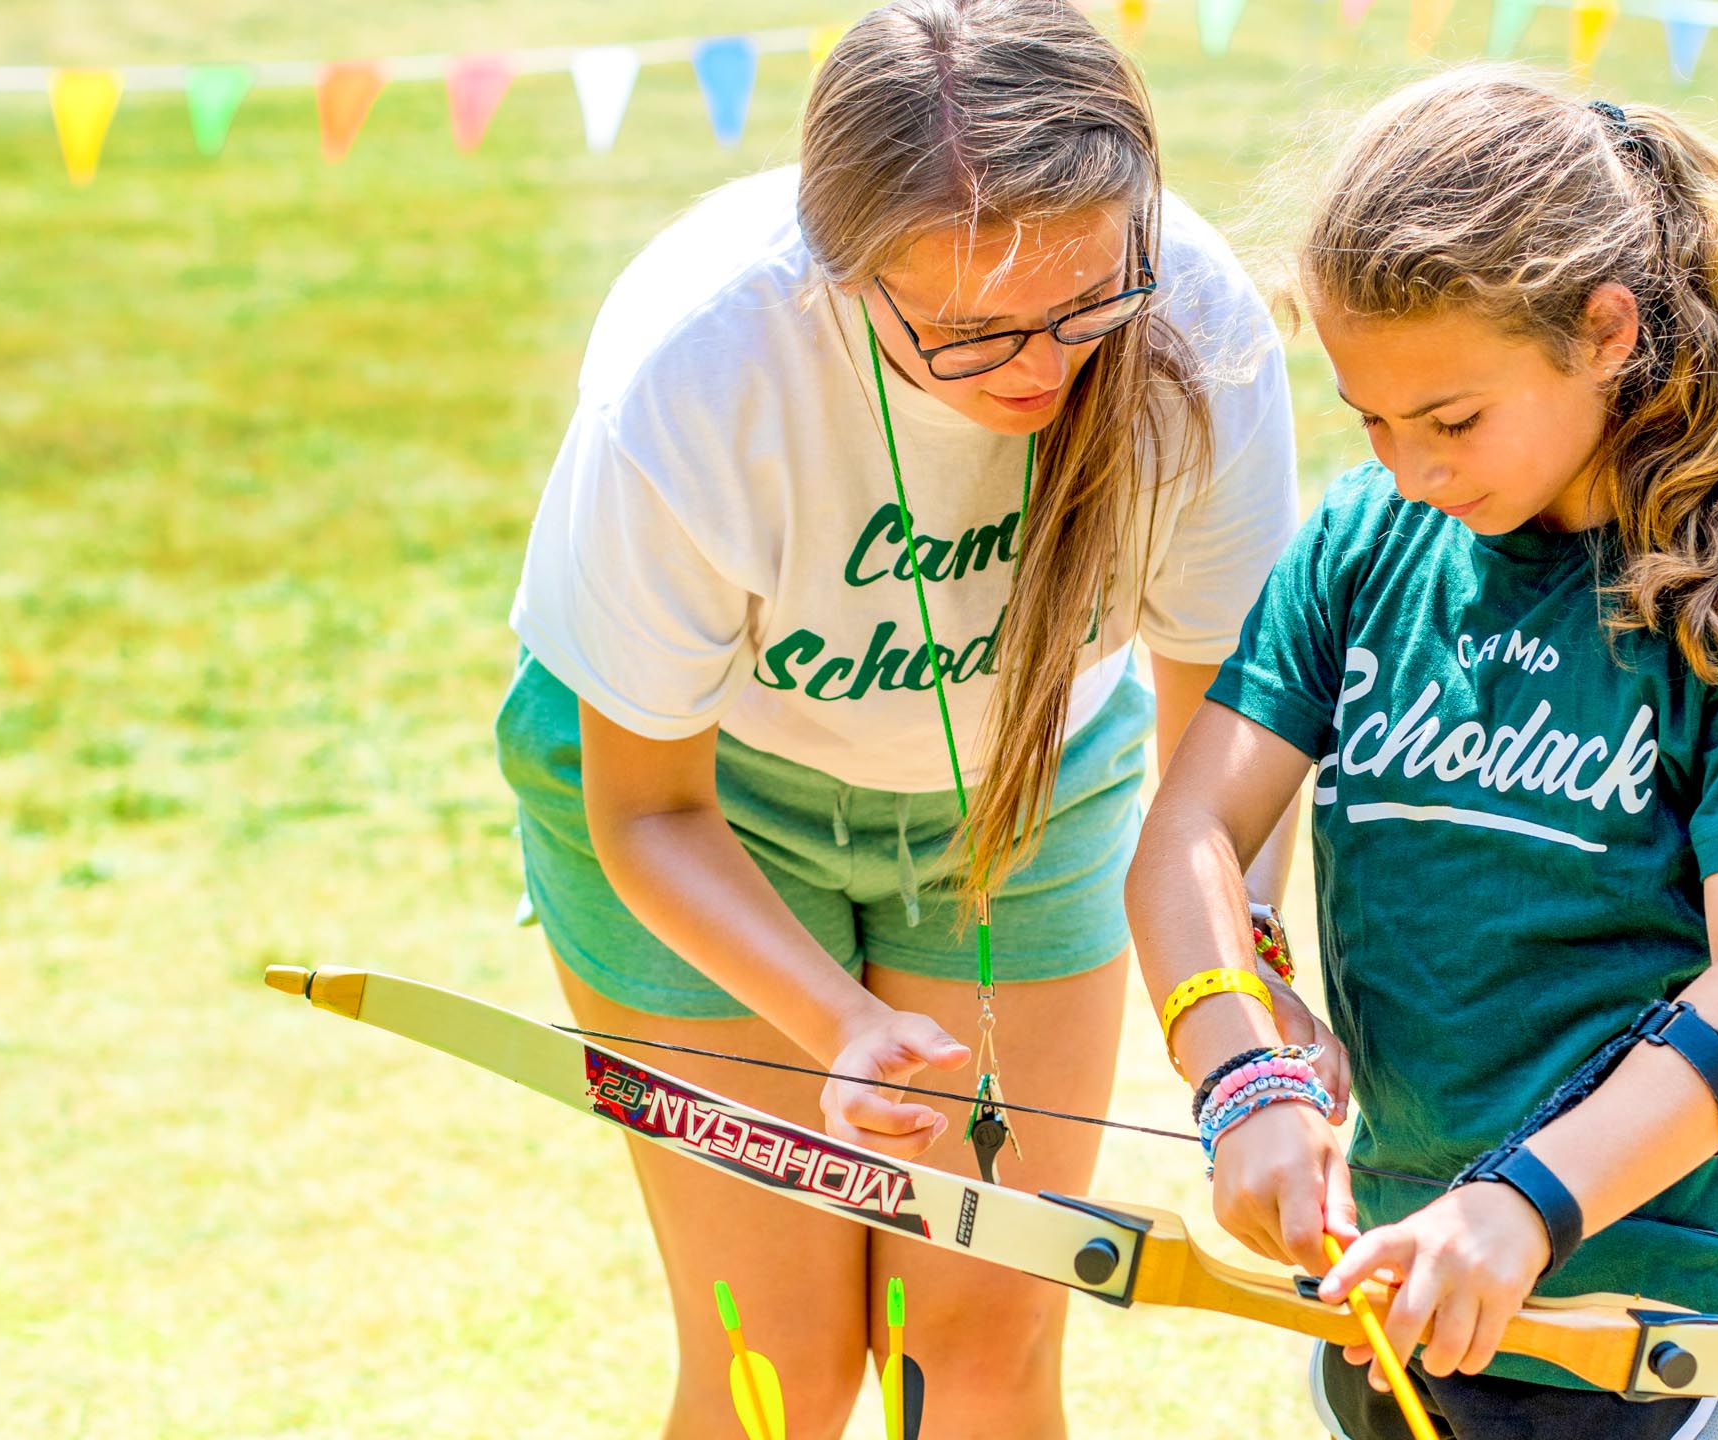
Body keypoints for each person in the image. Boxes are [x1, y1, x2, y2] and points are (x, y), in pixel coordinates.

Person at [493, 2, 1304, 1434]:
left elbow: (1218, 760)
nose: (1041, 370)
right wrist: (837, 1026)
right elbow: (649, 809)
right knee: (778, 1375)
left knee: (979, 1354)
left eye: (1087, 302)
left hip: (1033, 796)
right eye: (970, 333)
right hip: (705, 817)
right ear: (844, 275)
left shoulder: (1199, 328)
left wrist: (1235, 1022)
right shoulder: (702, 365)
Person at [1125, 69, 1718, 1440]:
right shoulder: (1367, 539)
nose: (1410, 466)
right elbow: (1186, 837)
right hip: (1404, 1309)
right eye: (1370, 419)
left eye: (1453, 420)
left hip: (1654, 1326)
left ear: (1605, 332)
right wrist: (1238, 1071)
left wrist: (1526, 1208)